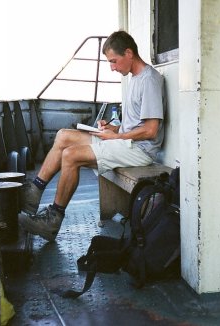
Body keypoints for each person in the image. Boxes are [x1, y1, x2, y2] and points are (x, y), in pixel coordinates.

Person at [19, 30, 165, 241]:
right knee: (63, 136)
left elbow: (150, 130)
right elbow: (132, 124)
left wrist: (117, 138)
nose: (112, 68)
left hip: (140, 150)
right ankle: (33, 195)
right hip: (126, 142)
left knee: (70, 155)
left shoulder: (149, 80)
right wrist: (111, 128)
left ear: (129, 53)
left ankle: (53, 220)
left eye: (114, 61)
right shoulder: (134, 79)